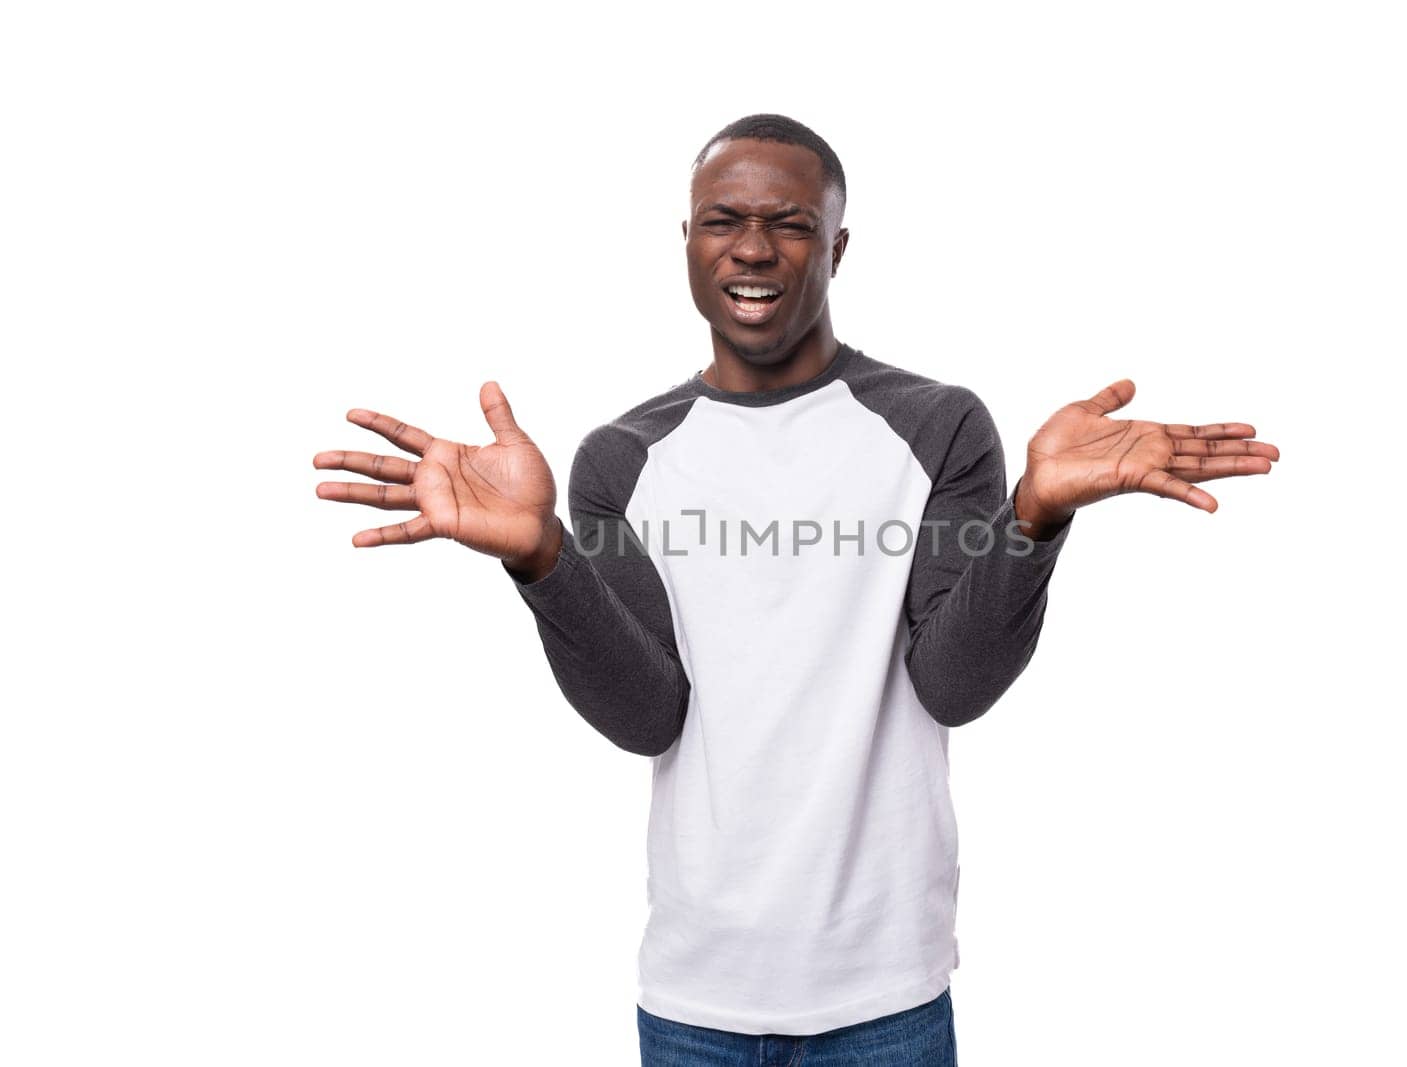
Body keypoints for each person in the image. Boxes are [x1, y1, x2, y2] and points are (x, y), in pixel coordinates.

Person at [312, 113, 1280, 1065]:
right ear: (686, 241)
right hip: (695, 991)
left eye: (790, 222)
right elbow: (647, 714)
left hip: (885, 992)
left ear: (837, 246)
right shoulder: (621, 457)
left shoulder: (933, 425)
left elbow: (955, 685)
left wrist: (1032, 517)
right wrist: (540, 559)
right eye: (723, 220)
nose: (755, 249)